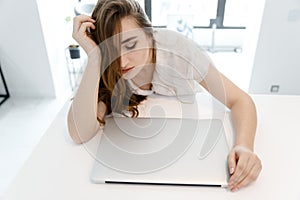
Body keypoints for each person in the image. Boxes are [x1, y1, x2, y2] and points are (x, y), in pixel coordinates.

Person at [68, 0, 262, 192]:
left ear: (149, 33)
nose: (122, 62)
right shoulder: (104, 62)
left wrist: (245, 146)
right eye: (112, 50)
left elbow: (240, 100)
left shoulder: (181, 51)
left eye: (130, 45)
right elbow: (79, 134)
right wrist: (95, 58)